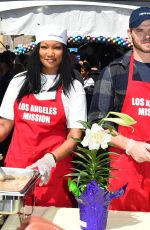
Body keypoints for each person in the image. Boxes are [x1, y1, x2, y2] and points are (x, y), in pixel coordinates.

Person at [0, 23, 87, 207]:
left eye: (56, 47)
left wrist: (49, 159)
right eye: (44, 47)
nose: (50, 53)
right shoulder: (19, 81)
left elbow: (75, 136)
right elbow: (4, 125)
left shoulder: (74, 87)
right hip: (16, 172)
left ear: (64, 52)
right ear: (37, 50)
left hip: (53, 173)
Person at [88, 6, 150, 212]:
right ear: (129, 34)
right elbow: (97, 125)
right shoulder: (114, 73)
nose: (147, 35)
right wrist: (130, 145)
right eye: (140, 30)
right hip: (124, 170)